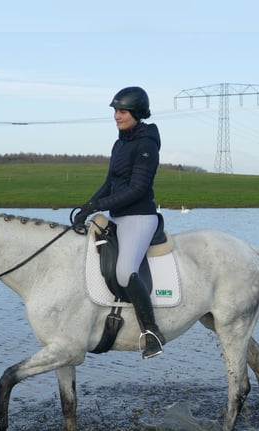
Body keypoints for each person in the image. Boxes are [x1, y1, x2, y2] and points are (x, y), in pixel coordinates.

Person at [73, 86, 165, 359]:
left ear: (136, 113)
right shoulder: (120, 143)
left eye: (122, 111)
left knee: (125, 271)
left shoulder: (146, 144)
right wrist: (87, 206)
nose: (117, 115)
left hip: (139, 217)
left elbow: (137, 189)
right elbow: (110, 183)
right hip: (117, 216)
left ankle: (151, 332)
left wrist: (100, 205)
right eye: (115, 110)